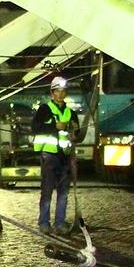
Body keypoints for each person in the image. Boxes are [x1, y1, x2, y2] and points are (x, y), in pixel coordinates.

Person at [33, 76, 80, 235]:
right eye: (57, 91)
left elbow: (76, 133)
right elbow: (35, 128)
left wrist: (75, 132)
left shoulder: (71, 113)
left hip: (65, 157)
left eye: (63, 91)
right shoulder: (45, 109)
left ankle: (60, 223)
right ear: (52, 93)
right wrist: (54, 126)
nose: (60, 94)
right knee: (47, 191)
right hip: (49, 156)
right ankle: (44, 223)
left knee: (63, 193)